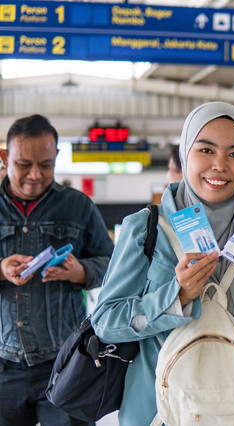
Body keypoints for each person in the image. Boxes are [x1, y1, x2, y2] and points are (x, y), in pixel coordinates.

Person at [91, 102, 234, 426]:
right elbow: (106, 321)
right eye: (206, 150)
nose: (220, 165)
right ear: (186, 153)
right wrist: (177, 297)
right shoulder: (146, 228)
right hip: (160, 409)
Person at [0, 114, 114, 426]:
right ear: (4, 157)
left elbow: (113, 264)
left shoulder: (78, 206)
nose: (35, 174)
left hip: (65, 363)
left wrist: (80, 272)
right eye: (24, 164)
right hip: (3, 367)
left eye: (46, 164)